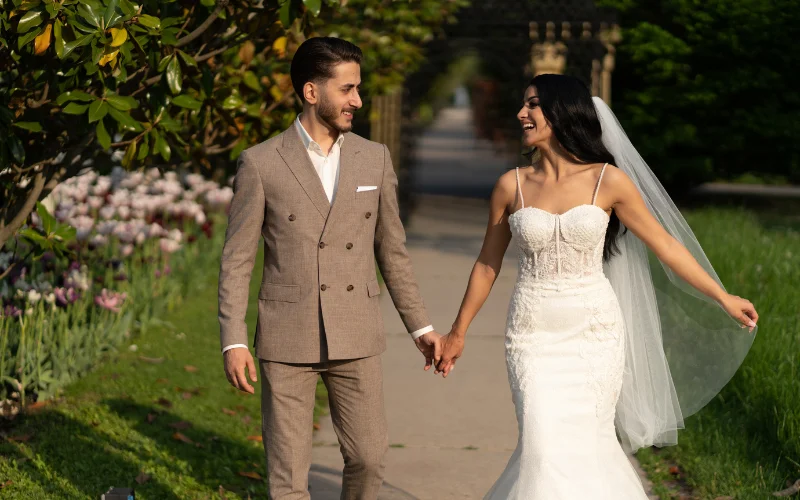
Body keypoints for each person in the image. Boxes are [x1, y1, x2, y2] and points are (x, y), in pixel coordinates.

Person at [433, 74, 759, 498]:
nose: (521, 114)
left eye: (531, 105)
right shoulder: (510, 185)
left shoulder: (609, 181)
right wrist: (458, 332)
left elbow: (665, 245)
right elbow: (486, 264)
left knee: (588, 444)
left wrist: (722, 295)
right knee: (541, 444)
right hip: (532, 334)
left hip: (594, 333)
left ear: (560, 111)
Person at [217, 36, 441, 500]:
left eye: (358, 89)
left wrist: (422, 328)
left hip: (355, 332)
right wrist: (233, 339)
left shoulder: (373, 158)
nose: (357, 100)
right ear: (312, 92)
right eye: (348, 89)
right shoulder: (260, 163)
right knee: (288, 477)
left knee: (369, 455)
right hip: (287, 336)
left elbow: (392, 252)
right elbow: (238, 258)